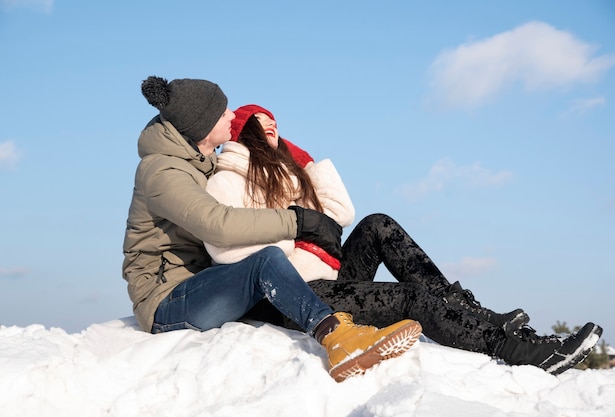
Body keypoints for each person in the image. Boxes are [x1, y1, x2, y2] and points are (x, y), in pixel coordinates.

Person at [204, 104, 603, 376]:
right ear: (243, 134)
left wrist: (306, 163)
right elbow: (234, 254)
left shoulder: (287, 177)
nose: (272, 124)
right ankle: (518, 353)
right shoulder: (228, 182)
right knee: (410, 298)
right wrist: (295, 225)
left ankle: (472, 313)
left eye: (275, 120)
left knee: (377, 223)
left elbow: (341, 213)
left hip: (329, 277)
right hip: (295, 296)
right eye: (259, 120)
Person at [122, 76, 423, 383]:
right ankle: (337, 338)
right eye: (223, 111)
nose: (231, 116)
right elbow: (217, 224)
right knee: (266, 258)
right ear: (202, 124)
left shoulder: (203, 162)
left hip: (206, 283)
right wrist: (299, 222)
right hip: (168, 301)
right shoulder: (161, 171)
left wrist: (286, 151)